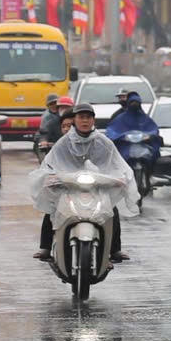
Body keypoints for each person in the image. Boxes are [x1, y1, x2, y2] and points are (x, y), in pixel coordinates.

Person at [32, 101, 137, 265]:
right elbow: (50, 164)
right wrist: (51, 177)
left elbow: (116, 164)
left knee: (111, 210)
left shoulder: (104, 142)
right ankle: (45, 246)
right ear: (75, 120)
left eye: (88, 117)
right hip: (69, 186)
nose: (85, 121)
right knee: (54, 207)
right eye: (81, 117)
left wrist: (119, 178)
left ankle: (114, 249)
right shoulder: (64, 142)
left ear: (93, 120)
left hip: (97, 187)